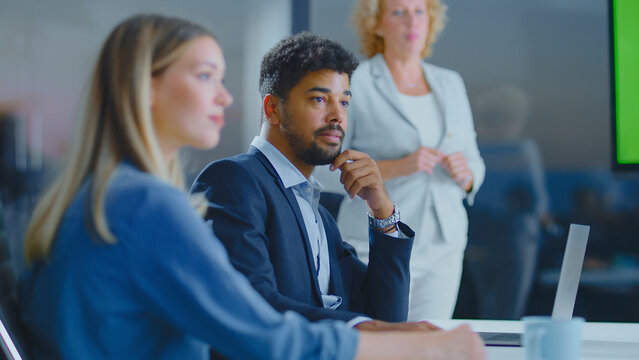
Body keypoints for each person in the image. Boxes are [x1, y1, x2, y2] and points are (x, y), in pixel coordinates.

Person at [18, 14, 485, 360]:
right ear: (147, 89)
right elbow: (260, 329)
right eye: (206, 77)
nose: (223, 96)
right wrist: (420, 349)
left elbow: (380, 312)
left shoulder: (114, 196)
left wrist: (383, 212)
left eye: (344, 101)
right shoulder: (151, 203)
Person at [192, 32, 419, 329]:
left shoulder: (320, 218)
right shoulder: (233, 182)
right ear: (273, 109)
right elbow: (249, 304)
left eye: (345, 103)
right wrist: (357, 327)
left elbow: (386, 318)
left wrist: (383, 213)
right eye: (319, 99)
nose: (337, 115)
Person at [316, 0, 486, 321]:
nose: (412, 21)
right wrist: (401, 165)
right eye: (398, 12)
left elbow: (474, 162)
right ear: (377, 24)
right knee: (380, 342)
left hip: (443, 245)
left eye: (419, 11)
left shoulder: (450, 83)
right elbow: (327, 167)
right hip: (376, 242)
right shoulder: (356, 81)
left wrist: (468, 176)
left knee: (428, 343)